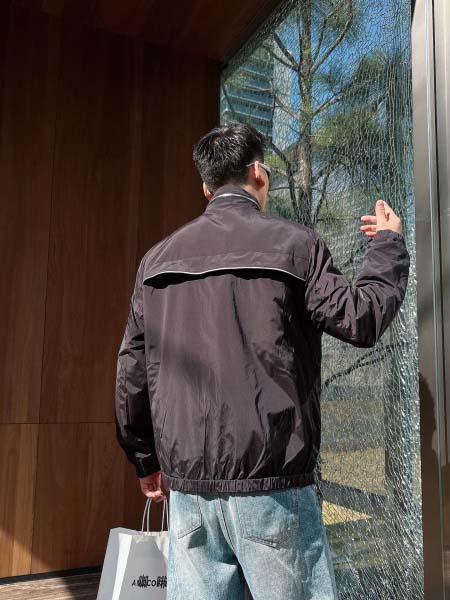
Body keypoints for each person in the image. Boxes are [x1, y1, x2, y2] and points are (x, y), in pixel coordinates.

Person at [115, 121, 409, 599]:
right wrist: (388, 245)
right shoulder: (296, 244)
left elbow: (132, 371)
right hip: (274, 487)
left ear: (206, 188)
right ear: (259, 174)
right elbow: (360, 319)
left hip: (190, 491)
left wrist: (145, 460)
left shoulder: (157, 260)